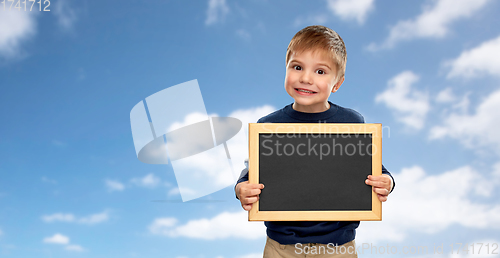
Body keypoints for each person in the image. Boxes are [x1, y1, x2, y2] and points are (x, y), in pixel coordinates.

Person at [234, 25, 395, 257]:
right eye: (297, 67)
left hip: (337, 248)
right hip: (281, 247)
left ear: (337, 83)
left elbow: (374, 168)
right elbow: (254, 170)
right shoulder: (268, 126)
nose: (306, 78)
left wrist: (387, 181)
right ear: (286, 69)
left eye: (320, 71)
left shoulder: (351, 122)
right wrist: (241, 188)